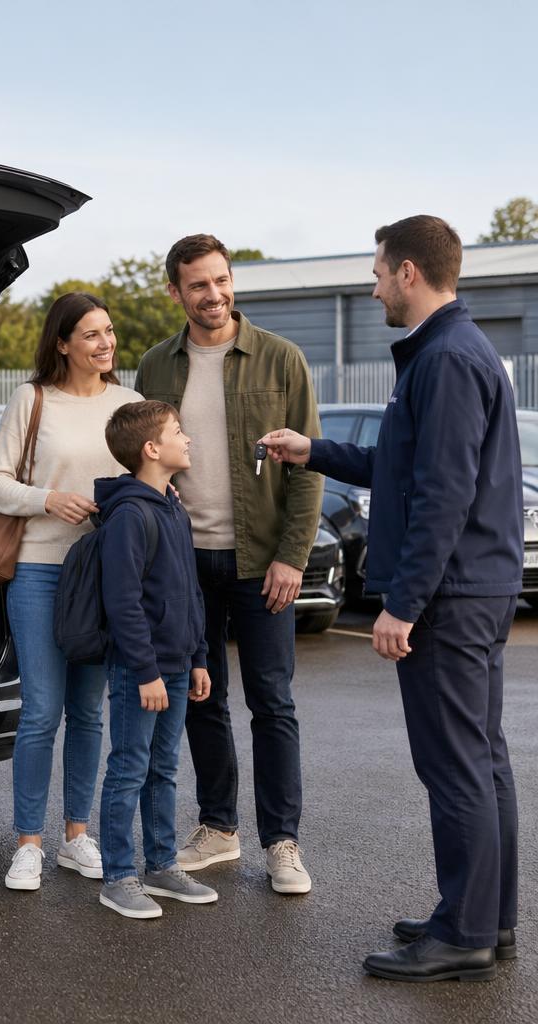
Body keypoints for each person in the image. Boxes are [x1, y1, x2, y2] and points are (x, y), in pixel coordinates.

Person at [261, 215, 522, 982]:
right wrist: (312, 449)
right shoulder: (454, 353)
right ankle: (485, 918)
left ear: (409, 272)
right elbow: (403, 464)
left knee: (456, 768)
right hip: (479, 586)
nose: (373, 287)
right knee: (482, 762)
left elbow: (443, 495)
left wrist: (403, 604)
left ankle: (466, 931)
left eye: (378, 273)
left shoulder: (444, 358)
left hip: (452, 596)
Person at [134, 234, 323, 894]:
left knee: (273, 701)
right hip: (185, 564)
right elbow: (141, 465)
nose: (212, 295)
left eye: (221, 281)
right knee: (200, 695)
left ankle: (282, 841)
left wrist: (292, 558)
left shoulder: (281, 359)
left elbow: (308, 469)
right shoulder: (156, 367)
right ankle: (218, 828)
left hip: (262, 563)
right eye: (197, 285)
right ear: (176, 292)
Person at [0, 292, 143, 891]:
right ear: (62, 343)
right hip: (40, 567)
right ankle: (28, 843)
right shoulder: (33, 399)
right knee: (42, 710)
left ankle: (77, 836)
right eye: (92, 334)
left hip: (104, 575)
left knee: (89, 713)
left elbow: (149, 480)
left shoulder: (130, 405)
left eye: (109, 332)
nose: (106, 344)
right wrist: (47, 498)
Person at [94, 401, 217, 918]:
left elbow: (189, 590)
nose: (186, 439)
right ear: (151, 449)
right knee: (129, 769)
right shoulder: (129, 514)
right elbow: (121, 601)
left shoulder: (173, 506)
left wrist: (199, 656)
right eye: (177, 432)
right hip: (139, 670)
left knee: (163, 769)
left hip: (178, 660)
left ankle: (162, 865)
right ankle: (118, 876)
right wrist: (145, 671)